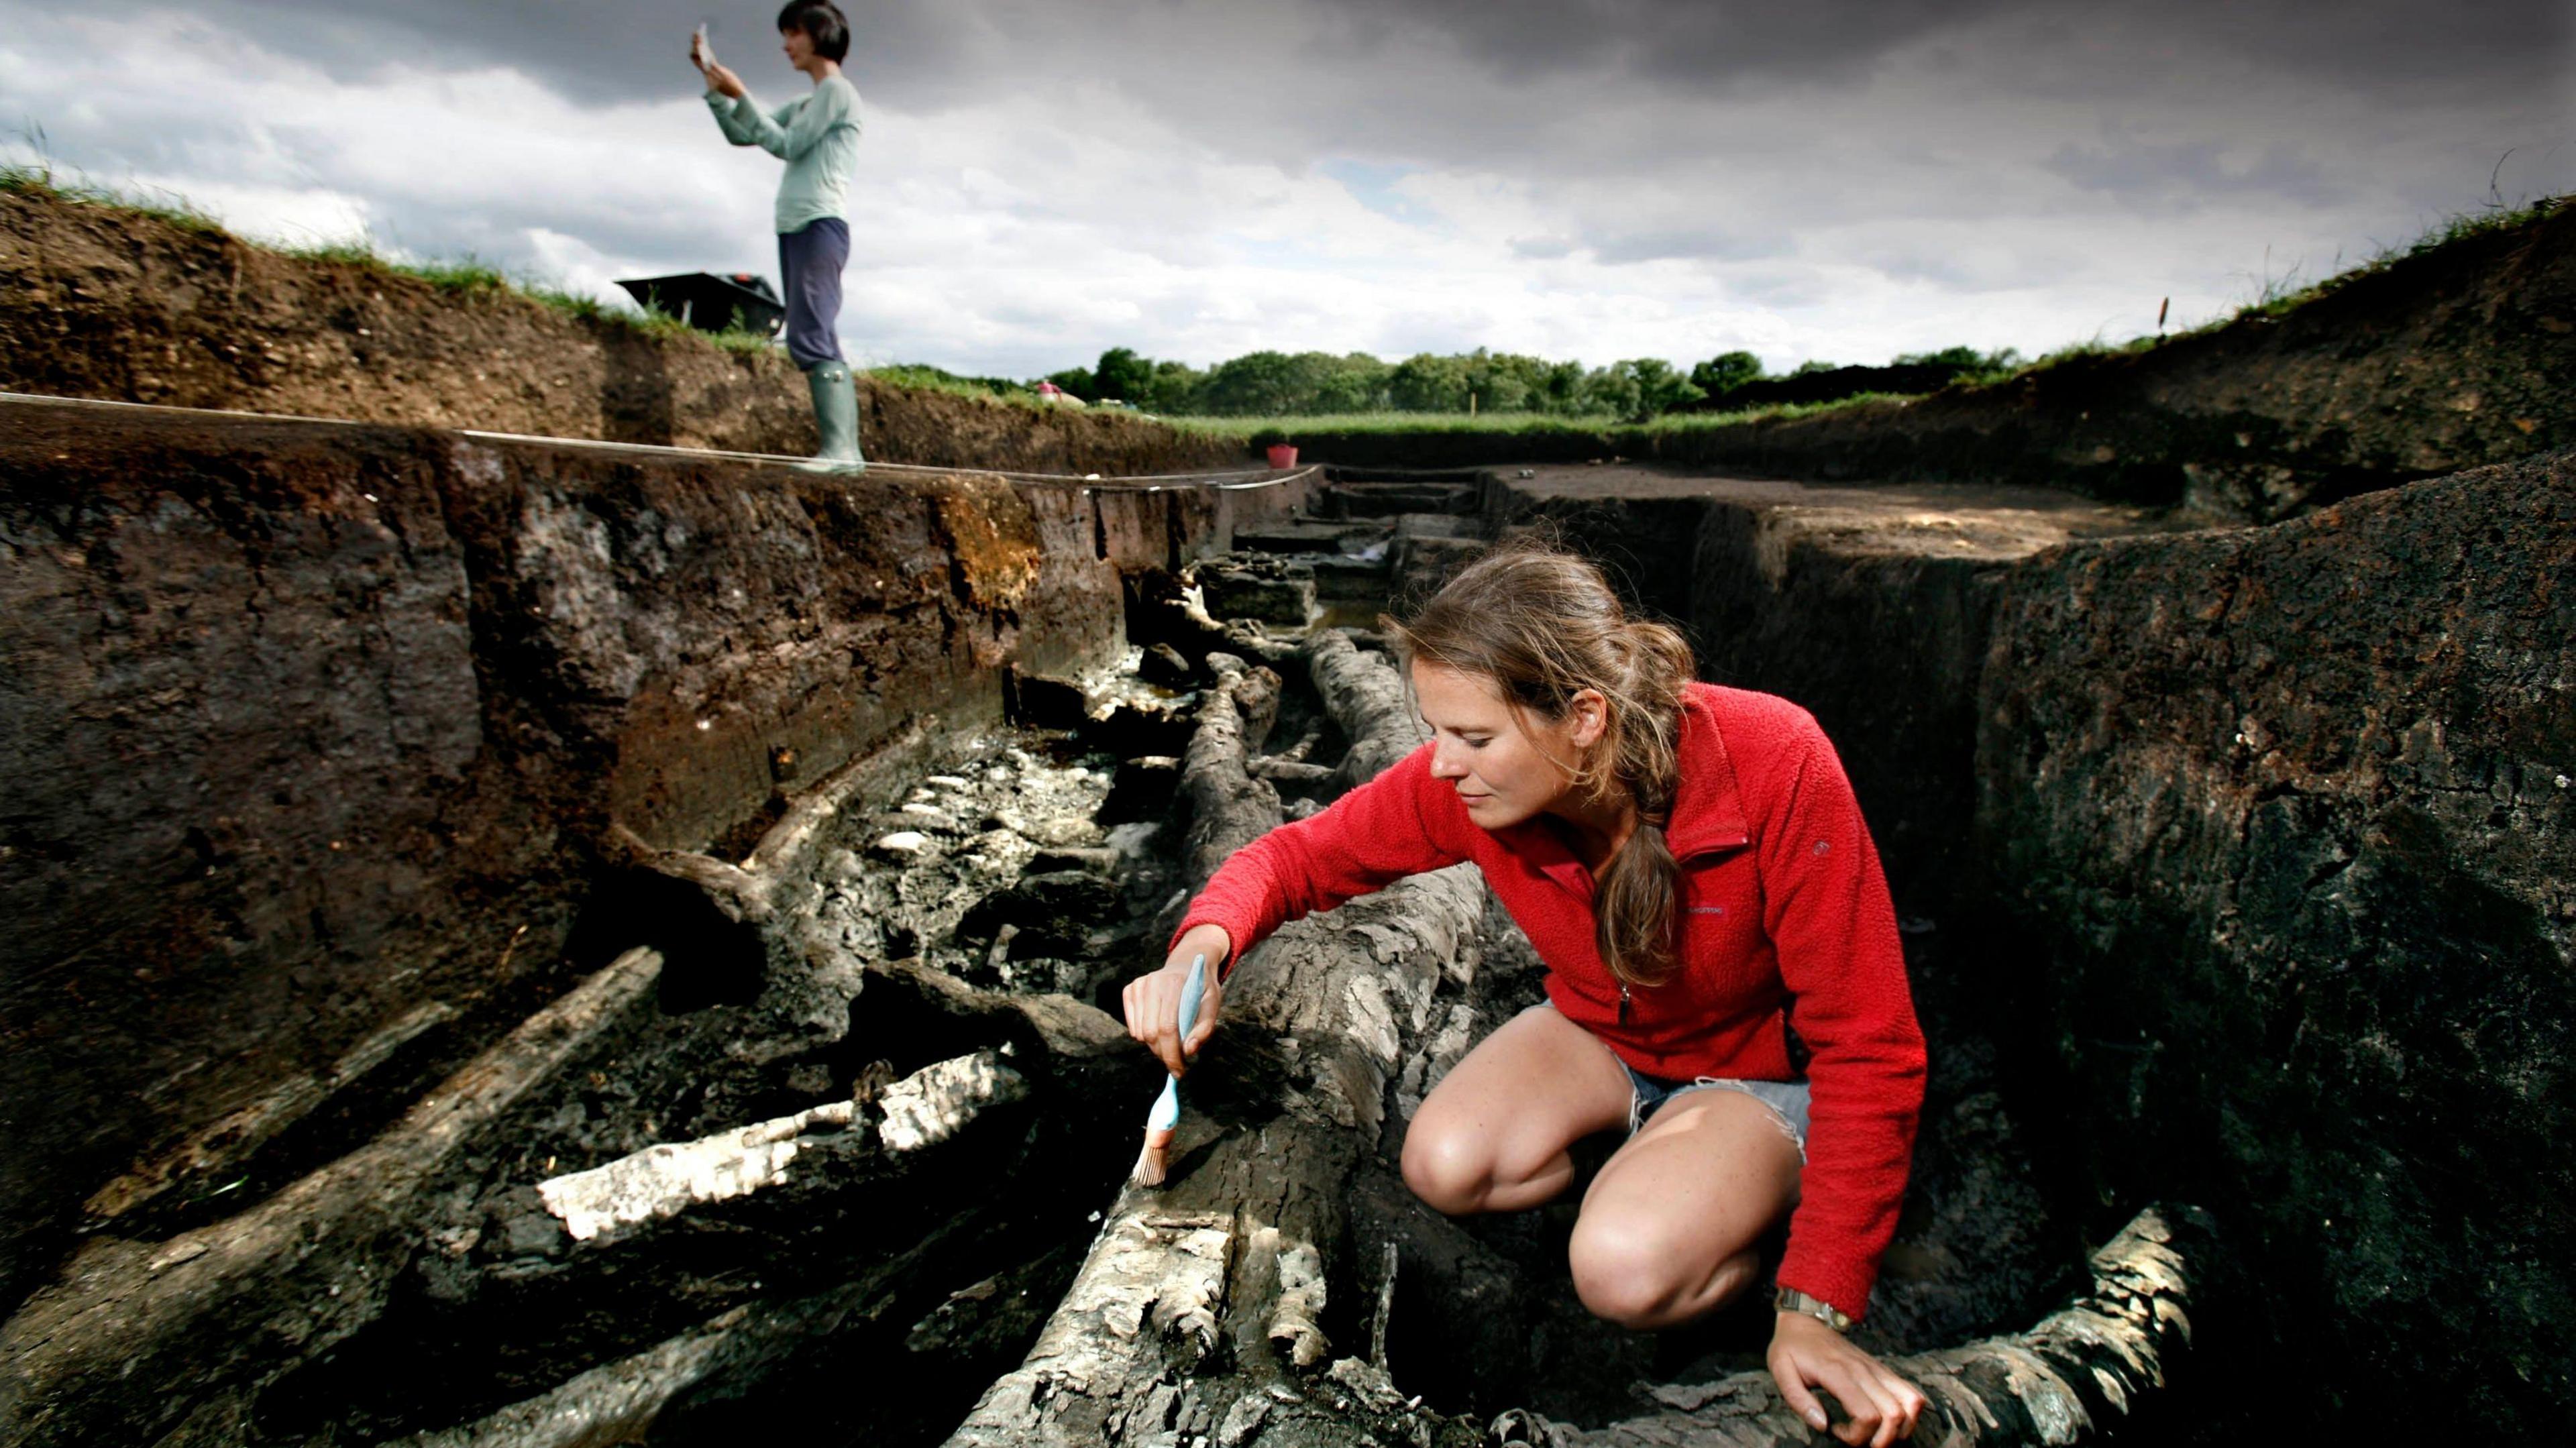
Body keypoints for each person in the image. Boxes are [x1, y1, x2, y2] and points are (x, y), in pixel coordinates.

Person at [1124, 546, 1933, 1447]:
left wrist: (1818, 1299)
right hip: (1603, 1030)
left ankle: (1742, 1208)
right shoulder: (1468, 789)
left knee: (1621, 1271)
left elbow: (1872, 1044)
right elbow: (1294, 855)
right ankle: (1653, 1165)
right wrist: (1201, 947)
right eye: (1436, 730)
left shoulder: (1777, 759)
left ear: (1584, 715)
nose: (1441, 766)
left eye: (1473, 737)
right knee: (1445, 1163)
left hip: (1753, 1069)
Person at [692, 3, 865, 472]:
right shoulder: (809, 101)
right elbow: (745, 134)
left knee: (812, 331)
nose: (787, 44)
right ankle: (843, 451)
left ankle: (844, 451)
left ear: (820, 35)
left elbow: (787, 145)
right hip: (796, 225)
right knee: (810, 329)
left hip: (820, 223)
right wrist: (717, 92)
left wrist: (741, 92)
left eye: (794, 33)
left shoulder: (837, 92)